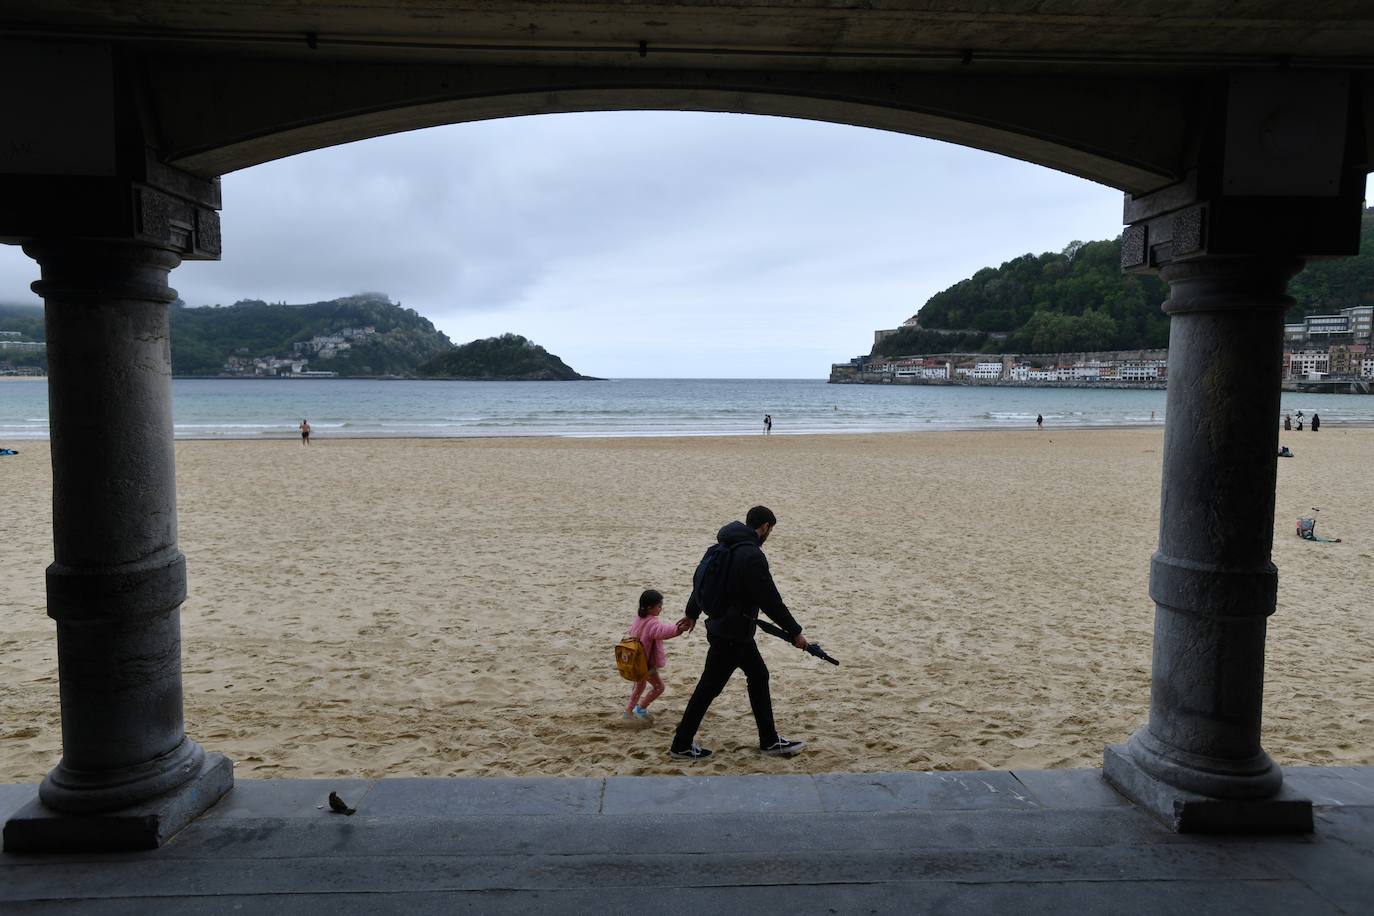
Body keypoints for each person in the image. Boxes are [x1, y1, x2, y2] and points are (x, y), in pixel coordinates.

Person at [670, 505, 809, 761]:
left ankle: (769, 739)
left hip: (727, 629)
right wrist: (795, 632)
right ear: (765, 527)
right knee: (709, 687)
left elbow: (701, 582)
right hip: (732, 635)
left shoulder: (721, 547)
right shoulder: (751, 555)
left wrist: (692, 613)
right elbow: (770, 600)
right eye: (770, 531)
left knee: (758, 675)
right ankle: (681, 744)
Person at [623, 589, 688, 720]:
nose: (661, 608)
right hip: (646, 663)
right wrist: (678, 629)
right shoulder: (652, 623)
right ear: (649, 608)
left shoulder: (639, 619)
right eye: (659, 606)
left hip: (634, 661)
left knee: (639, 686)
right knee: (659, 687)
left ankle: (629, 711)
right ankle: (640, 708)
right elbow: (663, 631)